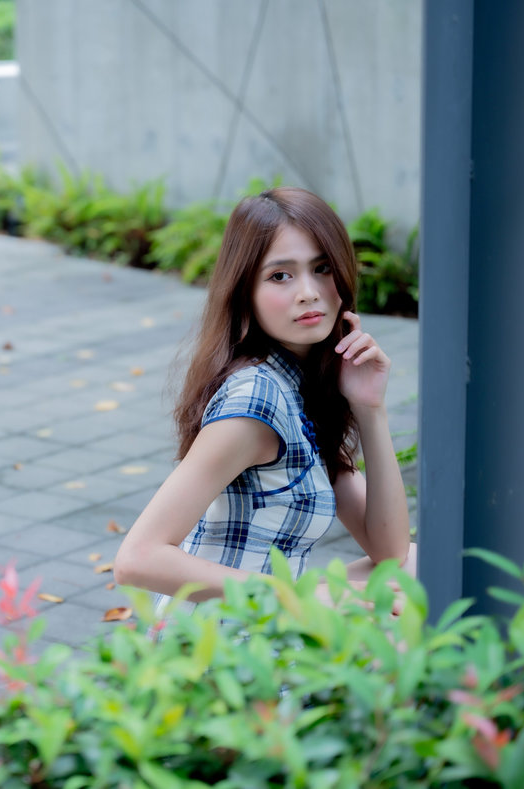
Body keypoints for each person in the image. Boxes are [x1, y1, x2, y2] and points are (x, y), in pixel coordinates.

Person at [113, 186, 416, 623]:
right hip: (221, 634)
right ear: (245, 292)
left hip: (268, 614)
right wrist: (301, 598)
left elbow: (391, 551)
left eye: (322, 268)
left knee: (417, 569)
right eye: (280, 276)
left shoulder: (302, 388)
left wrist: (370, 408)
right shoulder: (256, 400)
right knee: (405, 613)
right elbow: (137, 559)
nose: (308, 292)